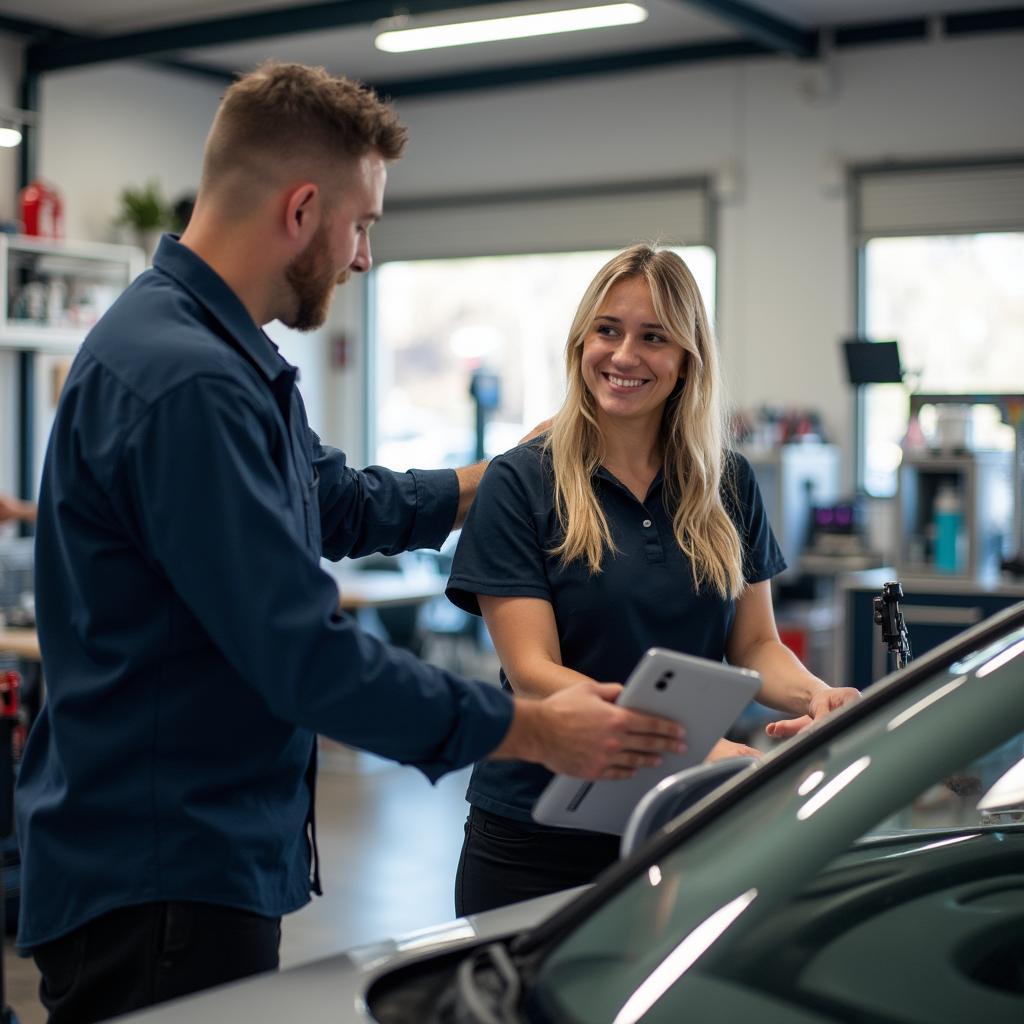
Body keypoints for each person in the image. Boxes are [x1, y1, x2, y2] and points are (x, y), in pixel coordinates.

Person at [14, 65, 685, 1023]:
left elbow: (336, 502)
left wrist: (509, 474)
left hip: (190, 857)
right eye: (362, 224)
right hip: (160, 872)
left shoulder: (217, 351)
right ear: (301, 209)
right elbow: (303, 658)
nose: (364, 256)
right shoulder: (189, 381)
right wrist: (533, 728)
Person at [446, 245, 861, 915]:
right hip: (538, 831)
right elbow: (534, 673)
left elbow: (755, 645)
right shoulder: (522, 480)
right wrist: (696, 747)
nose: (624, 355)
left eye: (654, 337)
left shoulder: (726, 481)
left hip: (679, 824)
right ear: (581, 340)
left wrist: (817, 697)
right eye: (607, 330)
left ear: (688, 357)